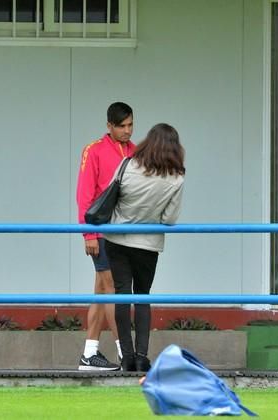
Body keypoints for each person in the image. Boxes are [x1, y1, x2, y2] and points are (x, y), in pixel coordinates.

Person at [103, 123, 185, 372]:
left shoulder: (127, 165)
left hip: (117, 239)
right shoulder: (176, 178)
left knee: (122, 294)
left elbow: (110, 194)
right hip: (148, 244)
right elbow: (169, 219)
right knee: (142, 297)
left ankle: (125, 357)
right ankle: (141, 356)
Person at [76, 102, 136, 371]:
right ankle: (125, 353)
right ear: (109, 126)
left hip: (123, 234)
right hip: (100, 231)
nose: (127, 130)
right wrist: (88, 233)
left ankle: (90, 354)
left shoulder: (136, 152)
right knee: (112, 290)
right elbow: (85, 194)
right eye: (122, 126)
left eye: (130, 125)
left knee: (101, 292)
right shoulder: (94, 151)